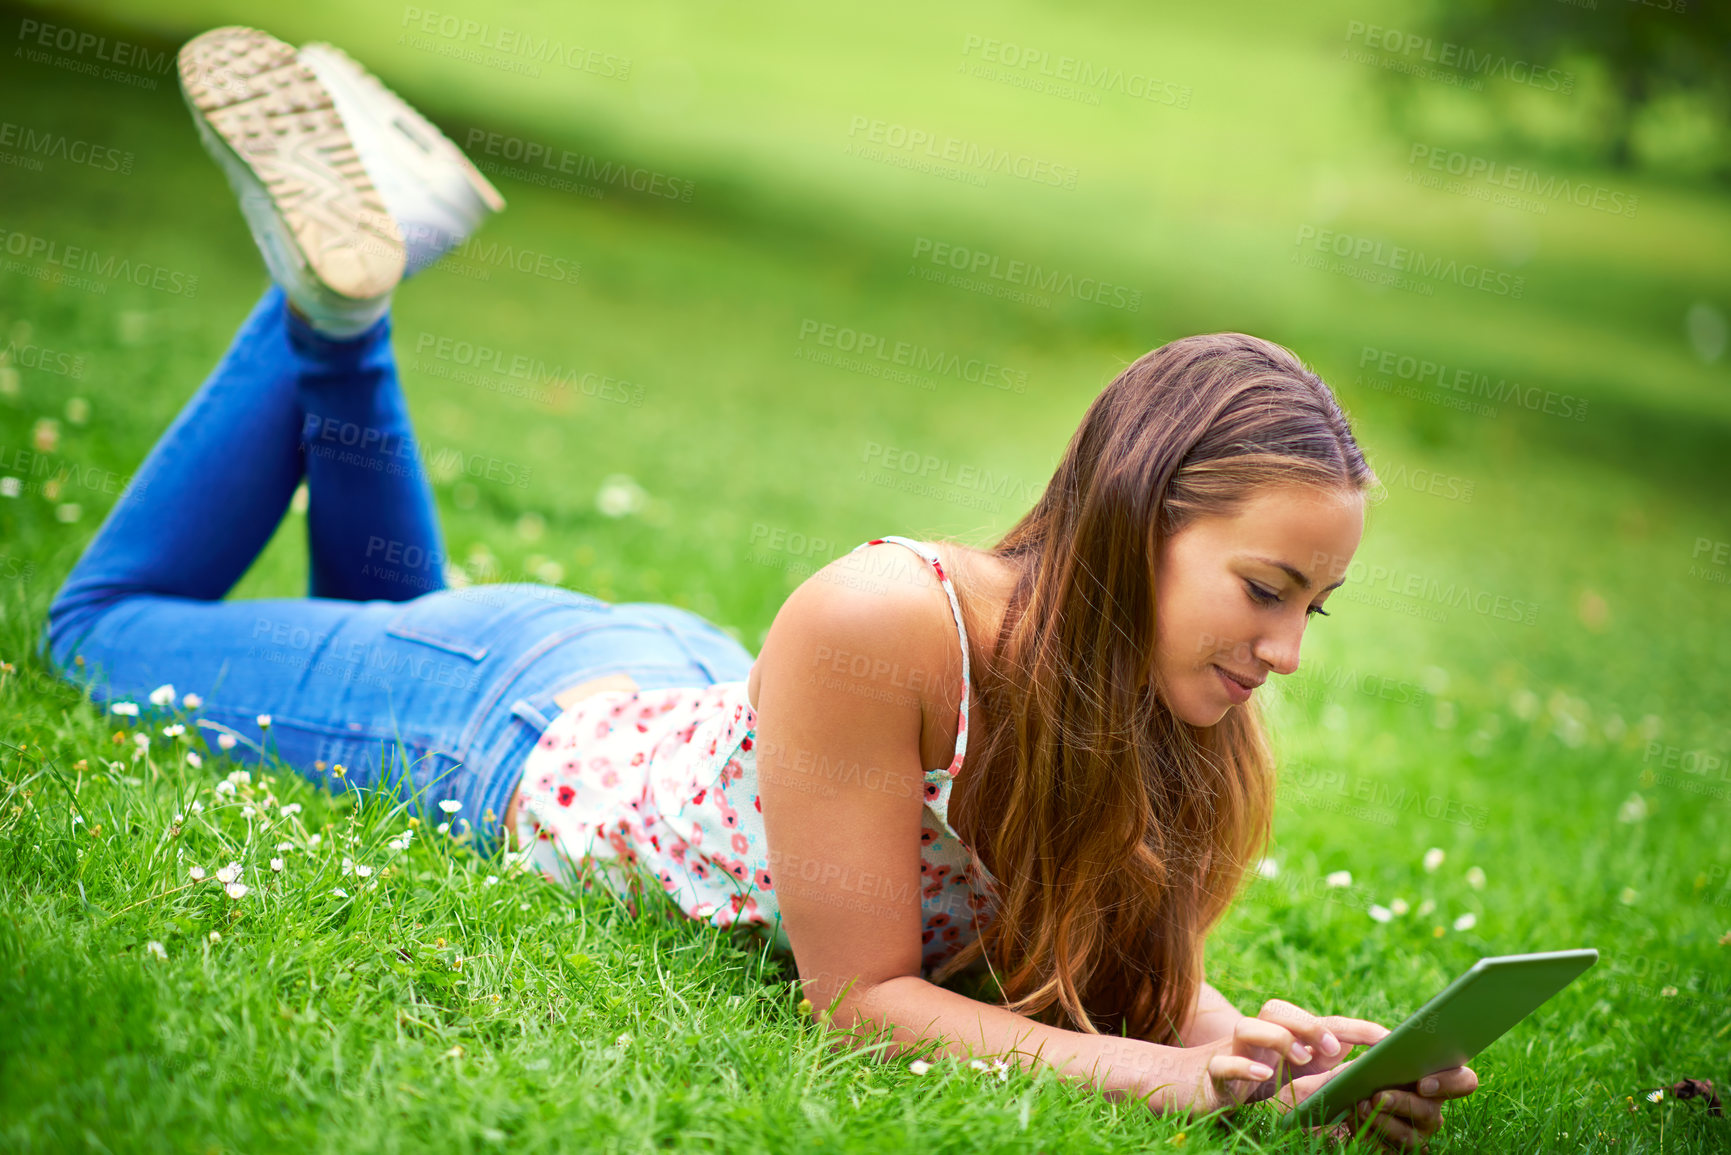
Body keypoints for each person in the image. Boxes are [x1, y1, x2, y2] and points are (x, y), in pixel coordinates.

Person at [40, 25, 1478, 1149]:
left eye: (1313, 609)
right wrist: (1152, 1080)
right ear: (1135, 521)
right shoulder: (892, 620)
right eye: (1267, 590)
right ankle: (336, 303)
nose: (1286, 651)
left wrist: (1267, 1059)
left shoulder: (1165, 700)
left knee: (369, 609)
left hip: (682, 694)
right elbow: (862, 1003)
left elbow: (1114, 980)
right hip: (501, 723)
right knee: (97, 633)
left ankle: (356, 299)